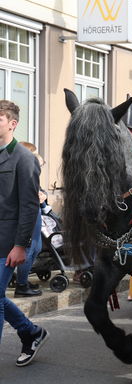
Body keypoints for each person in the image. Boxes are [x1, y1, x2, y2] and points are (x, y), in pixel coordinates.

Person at [0, 99, 49, 366]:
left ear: (12, 124)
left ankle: (31, 333)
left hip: (7, 244)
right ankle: (31, 333)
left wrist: (21, 245)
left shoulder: (24, 158)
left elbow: (29, 206)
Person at [13, 142, 44, 297]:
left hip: (35, 210)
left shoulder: (28, 166)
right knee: (29, 248)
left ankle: (22, 280)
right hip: (28, 212)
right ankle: (21, 285)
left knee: (36, 248)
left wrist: (42, 193)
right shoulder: (22, 165)